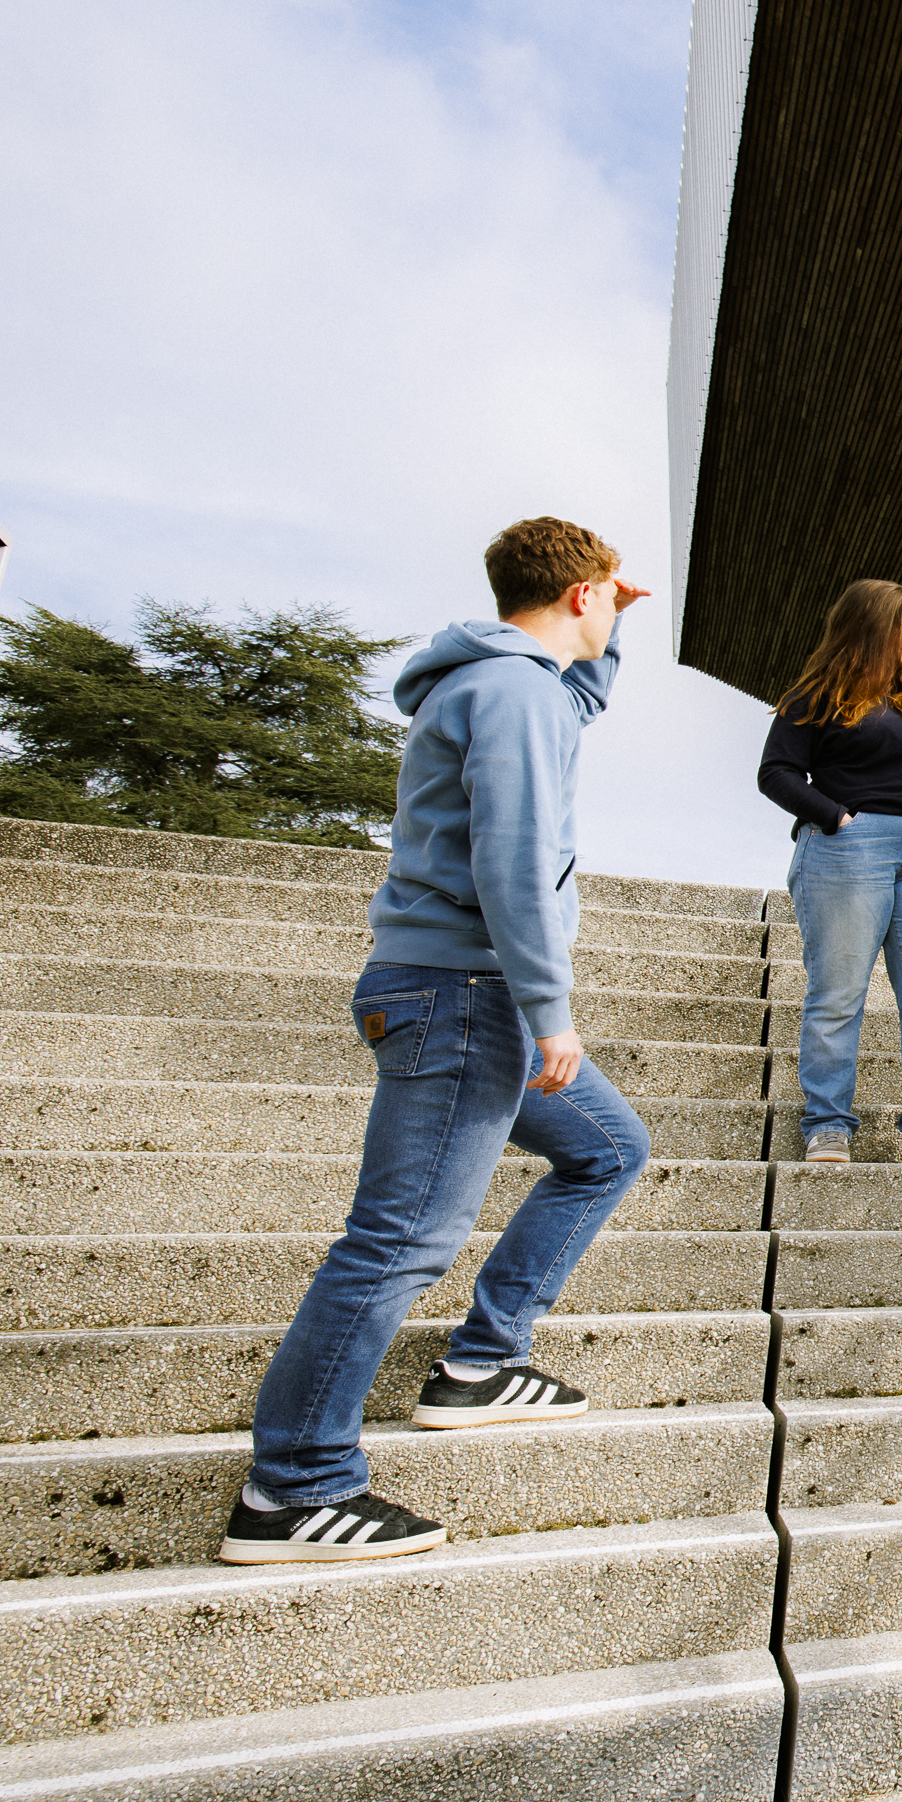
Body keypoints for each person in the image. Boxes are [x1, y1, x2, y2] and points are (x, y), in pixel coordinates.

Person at [220, 519, 650, 1562]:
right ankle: (293, 1486)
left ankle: (481, 1361)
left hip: (459, 989)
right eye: (607, 596)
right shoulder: (511, 694)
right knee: (400, 1239)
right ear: (580, 595)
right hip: (467, 994)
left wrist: (614, 630)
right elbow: (510, 857)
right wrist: (550, 1008)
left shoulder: (514, 684)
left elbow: (579, 698)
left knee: (605, 1147)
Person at [758, 580, 902, 1166]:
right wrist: (836, 817)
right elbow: (776, 772)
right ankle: (827, 1124)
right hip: (849, 847)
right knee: (839, 992)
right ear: (873, 625)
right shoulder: (816, 694)